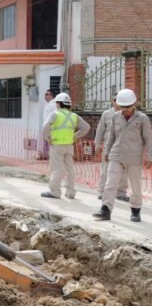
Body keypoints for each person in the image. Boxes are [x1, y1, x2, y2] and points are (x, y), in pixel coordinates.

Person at [93, 89, 152, 222]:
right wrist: (107, 151)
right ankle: (105, 209)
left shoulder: (142, 119)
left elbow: (149, 138)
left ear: (134, 104)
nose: (125, 109)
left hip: (134, 158)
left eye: (127, 107)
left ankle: (135, 210)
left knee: (135, 186)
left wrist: (149, 156)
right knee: (110, 183)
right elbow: (111, 137)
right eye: (122, 106)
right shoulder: (114, 117)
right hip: (116, 155)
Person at [41, 92, 90, 199]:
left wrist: (48, 138)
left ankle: (55, 191)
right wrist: (74, 136)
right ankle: (71, 192)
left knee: (57, 168)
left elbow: (45, 127)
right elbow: (86, 127)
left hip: (57, 145)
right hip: (69, 146)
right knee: (70, 169)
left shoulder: (55, 114)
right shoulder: (74, 116)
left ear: (58, 104)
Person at [95, 96, 129, 201]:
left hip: (124, 147)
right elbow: (100, 130)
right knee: (106, 170)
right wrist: (97, 144)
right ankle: (102, 191)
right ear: (112, 101)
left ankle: (121, 193)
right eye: (115, 100)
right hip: (108, 147)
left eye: (119, 100)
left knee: (124, 170)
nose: (117, 103)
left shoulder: (128, 114)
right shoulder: (106, 114)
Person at [38, 89, 57, 160]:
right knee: (46, 142)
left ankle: (51, 156)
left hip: (50, 127)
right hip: (46, 126)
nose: (45, 96)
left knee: (50, 142)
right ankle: (46, 156)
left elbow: (55, 116)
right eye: (45, 94)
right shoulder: (47, 104)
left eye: (47, 94)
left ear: (51, 96)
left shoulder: (54, 104)